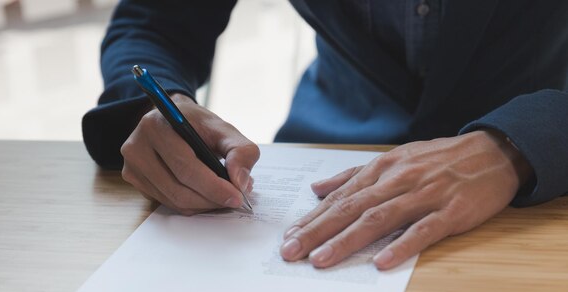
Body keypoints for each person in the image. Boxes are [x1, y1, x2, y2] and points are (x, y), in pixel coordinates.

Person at [82, 0, 568, 270]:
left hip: (534, 205)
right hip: (320, 154)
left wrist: (514, 146)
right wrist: (163, 104)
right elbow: (153, 23)